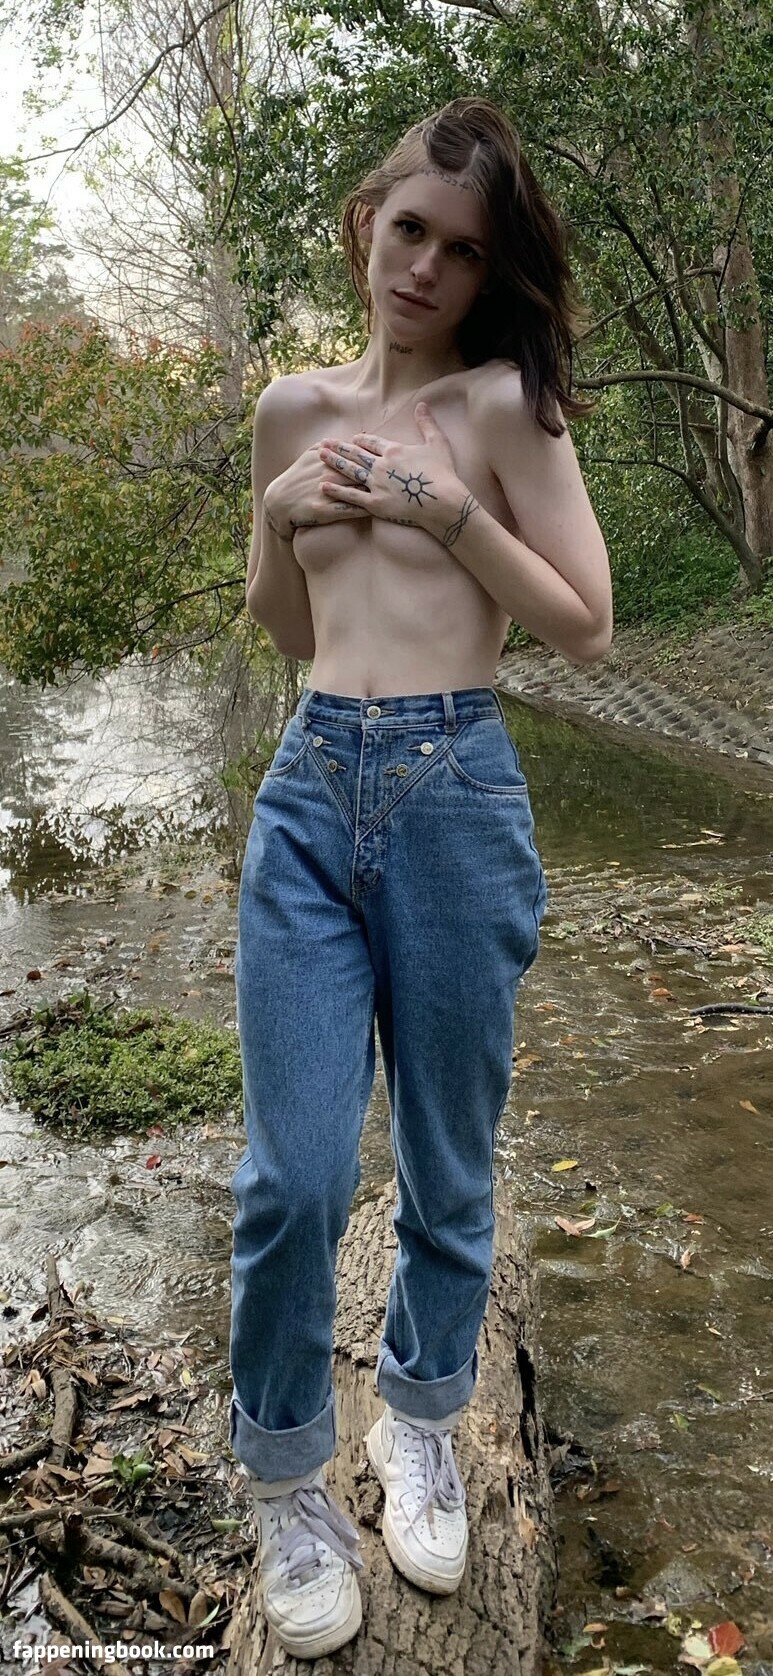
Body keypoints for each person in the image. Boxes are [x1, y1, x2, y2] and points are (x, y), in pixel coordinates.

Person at [229, 96, 613, 1659]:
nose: (423, 270)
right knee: (294, 1179)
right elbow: (289, 626)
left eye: (460, 252)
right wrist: (277, 519)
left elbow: (584, 623)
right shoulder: (290, 408)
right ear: (365, 223)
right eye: (408, 231)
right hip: (310, 791)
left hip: (456, 788)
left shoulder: (505, 409)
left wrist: (448, 514)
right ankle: (284, 1484)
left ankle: (421, 1422)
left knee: (447, 1166)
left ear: (486, 271)